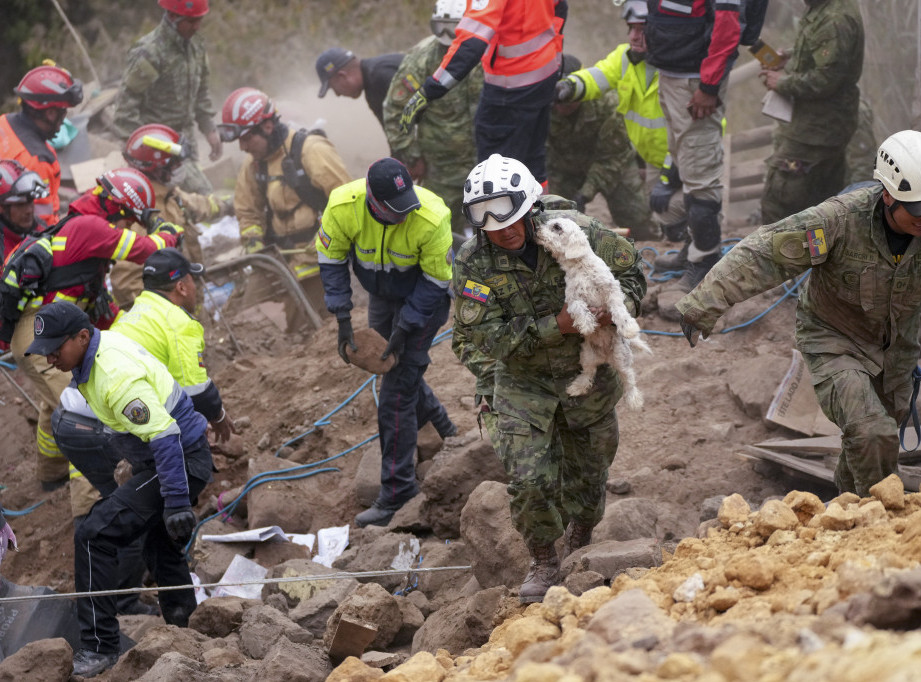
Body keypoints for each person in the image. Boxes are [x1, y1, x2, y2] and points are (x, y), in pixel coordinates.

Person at [676, 130, 921, 499]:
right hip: (836, 340)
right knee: (873, 432)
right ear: (888, 194)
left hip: (899, 352)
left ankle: (844, 513)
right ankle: (879, 527)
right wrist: (703, 304)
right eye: (917, 209)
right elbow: (764, 254)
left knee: (869, 443)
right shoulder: (839, 220)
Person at [451, 154, 646, 603]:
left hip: (588, 371)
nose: (500, 228)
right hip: (524, 380)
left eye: (507, 213)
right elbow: (487, 339)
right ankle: (543, 559)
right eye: (485, 219)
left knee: (591, 473)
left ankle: (580, 538)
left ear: (528, 205)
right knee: (529, 479)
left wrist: (617, 312)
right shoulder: (474, 263)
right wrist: (555, 325)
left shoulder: (574, 231)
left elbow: (631, 272)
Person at [25, 301, 211, 678]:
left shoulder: (114, 374)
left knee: (94, 534)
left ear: (81, 336)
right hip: (168, 457)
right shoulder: (92, 357)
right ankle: (186, 628)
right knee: (160, 544)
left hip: (178, 458)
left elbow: (164, 434)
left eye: (55, 349)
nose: (49, 359)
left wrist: (176, 501)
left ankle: (99, 647)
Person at [0, 168, 180, 496]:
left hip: (49, 328)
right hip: (41, 330)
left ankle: (51, 473)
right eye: (129, 221)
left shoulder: (83, 231)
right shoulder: (90, 227)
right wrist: (166, 230)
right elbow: (148, 249)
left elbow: (97, 306)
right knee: (85, 415)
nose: (126, 228)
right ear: (119, 209)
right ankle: (93, 504)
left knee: (58, 399)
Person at [316, 158, 456, 527]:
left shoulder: (432, 216)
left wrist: (406, 327)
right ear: (373, 202)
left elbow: (437, 281)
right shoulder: (342, 207)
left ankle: (397, 493)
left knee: (395, 392)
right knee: (402, 374)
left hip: (425, 298)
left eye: (406, 205)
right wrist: (343, 319)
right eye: (395, 210)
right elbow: (330, 260)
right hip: (381, 293)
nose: (404, 215)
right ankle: (449, 433)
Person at [219, 87, 351, 328]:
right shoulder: (253, 166)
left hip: (318, 257)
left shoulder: (311, 150)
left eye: (247, 138)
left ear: (267, 127)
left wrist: (327, 237)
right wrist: (253, 243)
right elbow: (247, 210)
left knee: (300, 323)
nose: (242, 147)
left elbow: (347, 201)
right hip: (276, 258)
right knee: (246, 322)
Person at [554, 0, 684, 243]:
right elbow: (598, 75)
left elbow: (612, 158)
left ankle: (699, 249)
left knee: (686, 208)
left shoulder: (676, 64)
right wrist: (570, 86)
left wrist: (586, 193)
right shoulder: (624, 58)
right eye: (631, 29)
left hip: (677, 155)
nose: (635, 36)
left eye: (642, 30)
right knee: (664, 211)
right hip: (654, 158)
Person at [399, 0, 568, 187]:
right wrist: (554, 55)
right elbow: (560, 7)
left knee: (495, 173)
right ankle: (537, 214)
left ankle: (501, 215)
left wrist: (429, 91)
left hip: (509, 88)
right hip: (544, 76)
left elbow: (471, 43)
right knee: (533, 162)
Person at [643, 0, 744, 291]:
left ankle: (704, 265)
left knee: (700, 178)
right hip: (673, 72)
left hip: (695, 82)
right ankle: (693, 249)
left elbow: (727, 25)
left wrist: (709, 86)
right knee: (687, 166)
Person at [382, 0, 481, 245]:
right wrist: (411, 155)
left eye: (454, 28)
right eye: (441, 27)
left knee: (495, 227)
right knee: (440, 235)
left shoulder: (489, 53)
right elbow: (396, 109)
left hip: (486, 161)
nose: (447, 35)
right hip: (442, 168)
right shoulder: (421, 58)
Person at [759, 0, 864, 224]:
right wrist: (792, 56)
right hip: (824, 127)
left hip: (815, 131)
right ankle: (818, 256)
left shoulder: (834, 18)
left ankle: (781, 258)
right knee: (821, 206)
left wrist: (782, 83)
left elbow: (826, 79)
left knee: (779, 203)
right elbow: (825, 53)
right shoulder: (824, 8)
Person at [113, 248, 234, 443]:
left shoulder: (132, 316)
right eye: (192, 279)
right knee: (193, 453)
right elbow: (196, 390)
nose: (196, 287)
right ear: (182, 287)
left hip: (102, 419)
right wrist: (217, 415)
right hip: (130, 419)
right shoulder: (177, 321)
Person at [111, 123, 233, 309]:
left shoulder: (169, 194)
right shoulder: (139, 215)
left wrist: (228, 206)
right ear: (157, 169)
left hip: (189, 307)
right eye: (175, 163)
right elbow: (126, 282)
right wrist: (167, 313)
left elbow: (197, 204)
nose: (180, 168)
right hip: (166, 322)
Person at [113, 0, 221, 195]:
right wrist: (142, 154)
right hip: (156, 153)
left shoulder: (196, 47)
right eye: (190, 21)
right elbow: (124, 111)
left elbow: (201, 94)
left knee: (186, 207)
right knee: (202, 196)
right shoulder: (150, 53)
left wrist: (209, 130)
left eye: (199, 20)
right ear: (172, 16)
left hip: (187, 144)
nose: (196, 26)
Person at [548, 54, 656, 238]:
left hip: (610, 165)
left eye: (567, 98)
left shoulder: (608, 105)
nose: (561, 104)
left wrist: (584, 194)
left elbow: (612, 158)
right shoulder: (539, 106)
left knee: (638, 224)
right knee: (554, 224)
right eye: (556, 98)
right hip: (562, 169)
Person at [0, 63, 83, 227]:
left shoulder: (4, 122)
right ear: (50, 113)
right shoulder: (36, 160)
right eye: (63, 112)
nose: (64, 119)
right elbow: (39, 225)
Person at [315, 48, 405, 127]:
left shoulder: (380, 78)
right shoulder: (372, 89)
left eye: (334, 88)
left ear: (342, 76)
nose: (337, 94)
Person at [0, 160, 48, 266]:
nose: (29, 210)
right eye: (20, 205)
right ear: (2, 207)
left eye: (30, 201)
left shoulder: (41, 229)